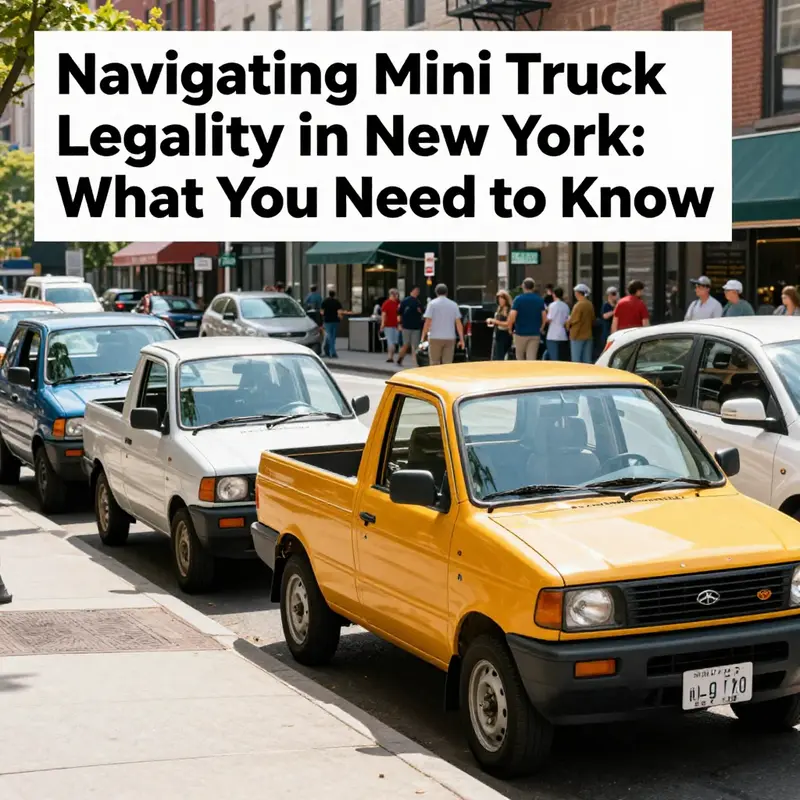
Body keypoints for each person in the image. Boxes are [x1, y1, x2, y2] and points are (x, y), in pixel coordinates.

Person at [422, 283, 465, 366]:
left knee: (434, 363)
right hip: (450, 337)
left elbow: (427, 322)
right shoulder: (453, 305)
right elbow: (458, 323)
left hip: (435, 337)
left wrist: (423, 337)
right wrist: (461, 339)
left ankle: (435, 378)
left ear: (436, 292)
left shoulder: (432, 304)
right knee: (447, 364)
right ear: (447, 292)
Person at [508, 277, 546, 361]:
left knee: (520, 357)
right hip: (535, 333)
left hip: (520, 333)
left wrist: (510, 328)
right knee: (532, 358)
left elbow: (512, 316)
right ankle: (531, 373)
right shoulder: (539, 300)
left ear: (523, 286)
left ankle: (522, 373)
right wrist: (541, 328)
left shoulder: (518, 299)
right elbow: (544, 316)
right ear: (533, 287)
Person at [566, 284, 595, 363]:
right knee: (587, 360)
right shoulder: (590, 304)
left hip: (577, 335)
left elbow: (573, 320)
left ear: (578, 293)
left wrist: (567, 324)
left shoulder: (578, 305)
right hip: (588, 334)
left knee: (576, 360)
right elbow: (593, 319)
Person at [397, 286, 423, 366]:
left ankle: (415, 363)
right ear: (411, 291)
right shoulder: (405, 301)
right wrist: (399, 324)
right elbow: (399, 313)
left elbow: (422, 312)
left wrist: (420, 312)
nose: (417, 292)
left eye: (418, 291)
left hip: (416, 326)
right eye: (416, 290)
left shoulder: (418, 302)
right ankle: (400, 358)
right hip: (406, 326)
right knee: (406, 344)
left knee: (415, 346)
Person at [544, 287, 570, 361]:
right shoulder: (566, 306)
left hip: (552, 334)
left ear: (554, 295)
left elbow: (549, 319)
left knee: (554, 358)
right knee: (561, 357)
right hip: (563, 334)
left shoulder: (552, 305)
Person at [488, 290, 513, 361]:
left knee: (500, 357)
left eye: (502, 299)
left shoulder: (509, 310)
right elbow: (498, 322)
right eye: (498, 299)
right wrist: (492, 322)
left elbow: (508, 323)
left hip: (505, 335)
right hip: (497, 334)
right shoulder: (499, 308)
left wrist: (494, 321)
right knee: (495, 356)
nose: (500, 301)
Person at [321, 289, 344, 358]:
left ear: (329, 294)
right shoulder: (337, 302)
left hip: (327, 320)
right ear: (334, 294)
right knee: (333, 337)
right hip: (335, 321)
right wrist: (340, 317)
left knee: (328, 336)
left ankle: (328, 351)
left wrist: (323, 316)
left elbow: (322, 312)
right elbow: (339, 312)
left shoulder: (325, 301)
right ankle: (332, 352)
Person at [380, 288, 401, 363]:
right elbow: (384, 315)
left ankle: (390, 357)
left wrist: (382, 325)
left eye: (397, 294)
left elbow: (383, 315)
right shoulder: (388, 303)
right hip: (390, 325)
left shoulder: (394, 303)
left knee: (392, 341)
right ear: (392, 295)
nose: (397, 296)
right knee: (392, 341)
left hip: (394, 325)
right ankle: (390, 356)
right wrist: (383, 324)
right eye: (396, 294)